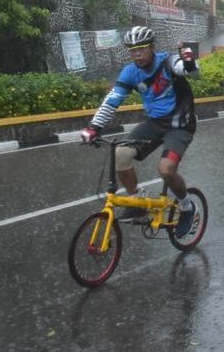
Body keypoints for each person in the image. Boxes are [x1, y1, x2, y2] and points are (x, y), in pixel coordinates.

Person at [80, 26, 200, 237]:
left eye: (142, 48)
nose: (137, 53)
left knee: (166, 170)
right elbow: (112, 101)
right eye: (132, 49)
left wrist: (189, 61)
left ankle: (187, 206)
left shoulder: (167, 62)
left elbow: (186, 70)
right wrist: (94, 127)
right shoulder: (130, 72)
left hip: (180, 125)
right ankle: (137, 201)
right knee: (120, 154)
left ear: (152, 47)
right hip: (155, 124)